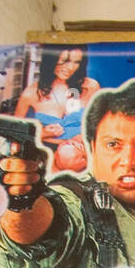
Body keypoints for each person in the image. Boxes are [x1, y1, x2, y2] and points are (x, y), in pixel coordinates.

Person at [0, 79, 135, 268]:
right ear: (93, 148)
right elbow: (43, 233)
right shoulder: (82, 201)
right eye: (113, 144)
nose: (129, 161)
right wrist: (20, 200)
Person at [14, 46, 99, 174]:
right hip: (43, 153)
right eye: (64, 61)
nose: (70, 68)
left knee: (69, 157)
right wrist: (42, 133)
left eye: (76, 62)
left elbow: (102, 124)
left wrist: (82, 138)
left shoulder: (90, 87)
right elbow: (14, 133)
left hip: (79, 154)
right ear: (51, 60)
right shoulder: (31, 93)